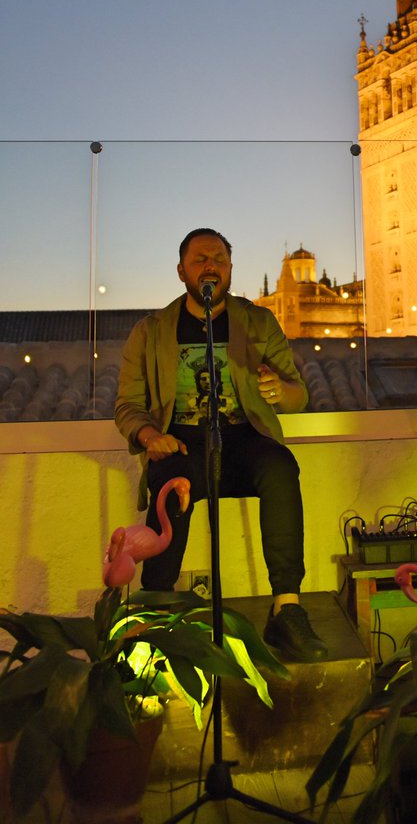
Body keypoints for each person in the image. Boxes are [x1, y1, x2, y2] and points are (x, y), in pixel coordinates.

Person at [115, 227, 327, 661]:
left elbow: (297, 393)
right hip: (182, 441)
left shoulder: (258, 321)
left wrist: (278, 391)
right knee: (171, 484)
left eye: (219, 259)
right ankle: (155, 614)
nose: (210, 265)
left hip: (243, 434)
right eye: (199, 259)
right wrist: (150, 436)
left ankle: (287, 608)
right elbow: (128, 406)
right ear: (181, 271)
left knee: (281, 467)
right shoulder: (151, 331)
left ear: (230, 270)